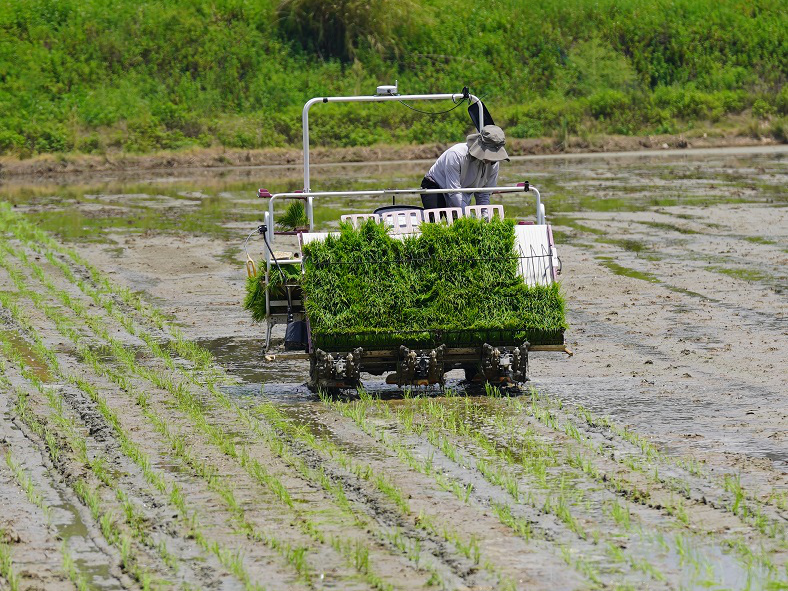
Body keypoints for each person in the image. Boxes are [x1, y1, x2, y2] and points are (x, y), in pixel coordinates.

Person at [421, 124, 510, 209]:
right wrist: (468, 215)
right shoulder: (456, 154)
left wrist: (485, 217)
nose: (491, 159)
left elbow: (484, 194)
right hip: (436, 185)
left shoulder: (494, 164)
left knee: (459, 222)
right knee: (435, 218)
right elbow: (454, 192)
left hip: (462, 191)